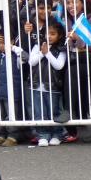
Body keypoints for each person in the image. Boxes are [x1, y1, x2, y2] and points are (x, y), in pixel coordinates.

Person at [28, 18, 67, 146]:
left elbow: (59, 65)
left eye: (53, 34)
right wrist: (41, 53)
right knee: (39, 112)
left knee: (54, 111)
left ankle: (57, 134)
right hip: (36, 85)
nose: (49, 36)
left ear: (59, 35)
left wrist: (48, 54)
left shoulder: (61, 49)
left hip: (53, 86)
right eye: (47, 33)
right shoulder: (37, 45)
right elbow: (31, 61)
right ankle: (43, 135)